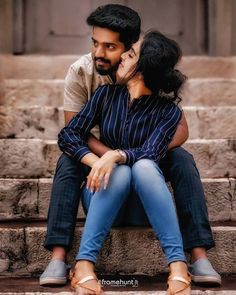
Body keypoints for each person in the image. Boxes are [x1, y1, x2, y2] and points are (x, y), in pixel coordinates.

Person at [40, 4, 221, 287]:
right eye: (95, 43)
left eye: (111, 47)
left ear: (129, 49)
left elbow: (178, 133)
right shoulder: (92, 81)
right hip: (103, 171)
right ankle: (61, 257)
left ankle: (195, 256)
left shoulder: (158, 79)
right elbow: (72, 132)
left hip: (143, 171)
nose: (100, 53)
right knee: (70, 160)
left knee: (178, 159)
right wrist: (102, 159)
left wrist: (123, 155)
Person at [58, 30, 192, 295]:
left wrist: (115, 154)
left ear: (143, 68)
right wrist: (97, 160)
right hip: (103, 198)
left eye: (129, 55)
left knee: (141, 166)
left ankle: (178, 265)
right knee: (118, 172)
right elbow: (69, 134)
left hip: (145, 206)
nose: (121, 59)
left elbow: (151, 152)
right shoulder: (106, 96)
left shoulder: (168, 111)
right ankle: (84, 265)